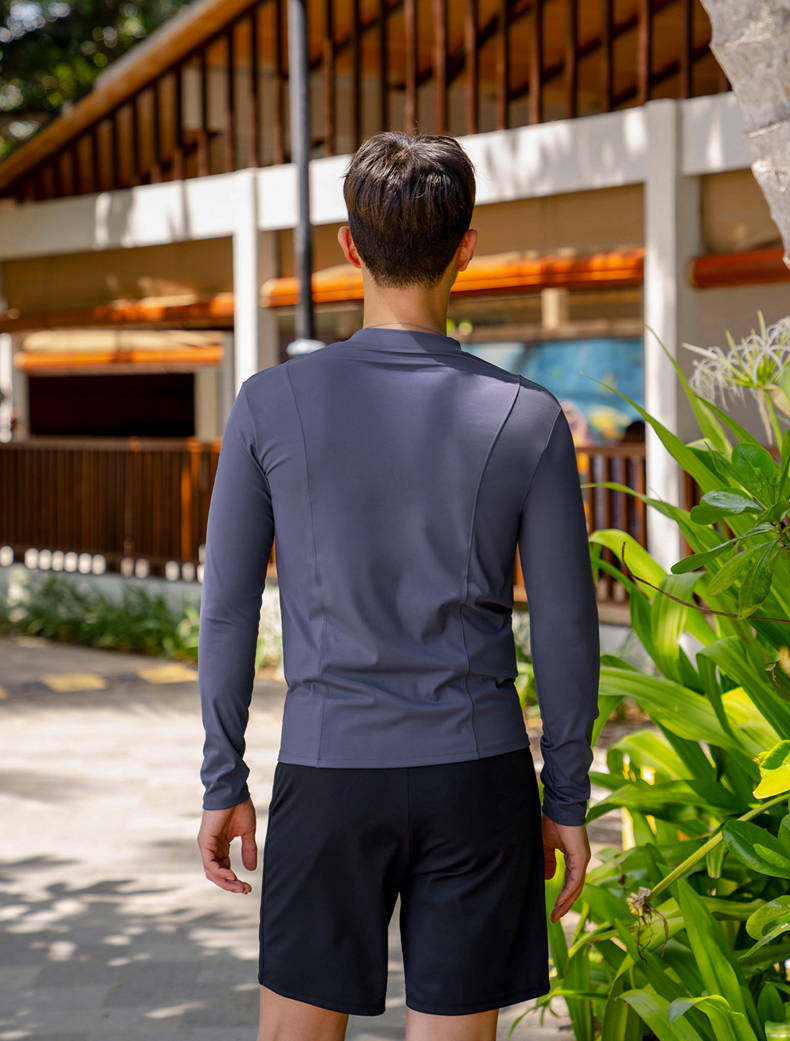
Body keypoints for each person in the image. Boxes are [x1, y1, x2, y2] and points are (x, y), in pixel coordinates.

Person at [196, 130, 600, 1041]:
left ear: (350, 246)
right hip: (478, 778)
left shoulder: (268, 402)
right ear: (466, 248)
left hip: (328, 774)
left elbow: (226, 608)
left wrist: (224, 777)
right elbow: (567, 628)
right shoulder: (528, 416)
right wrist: (566, 798)